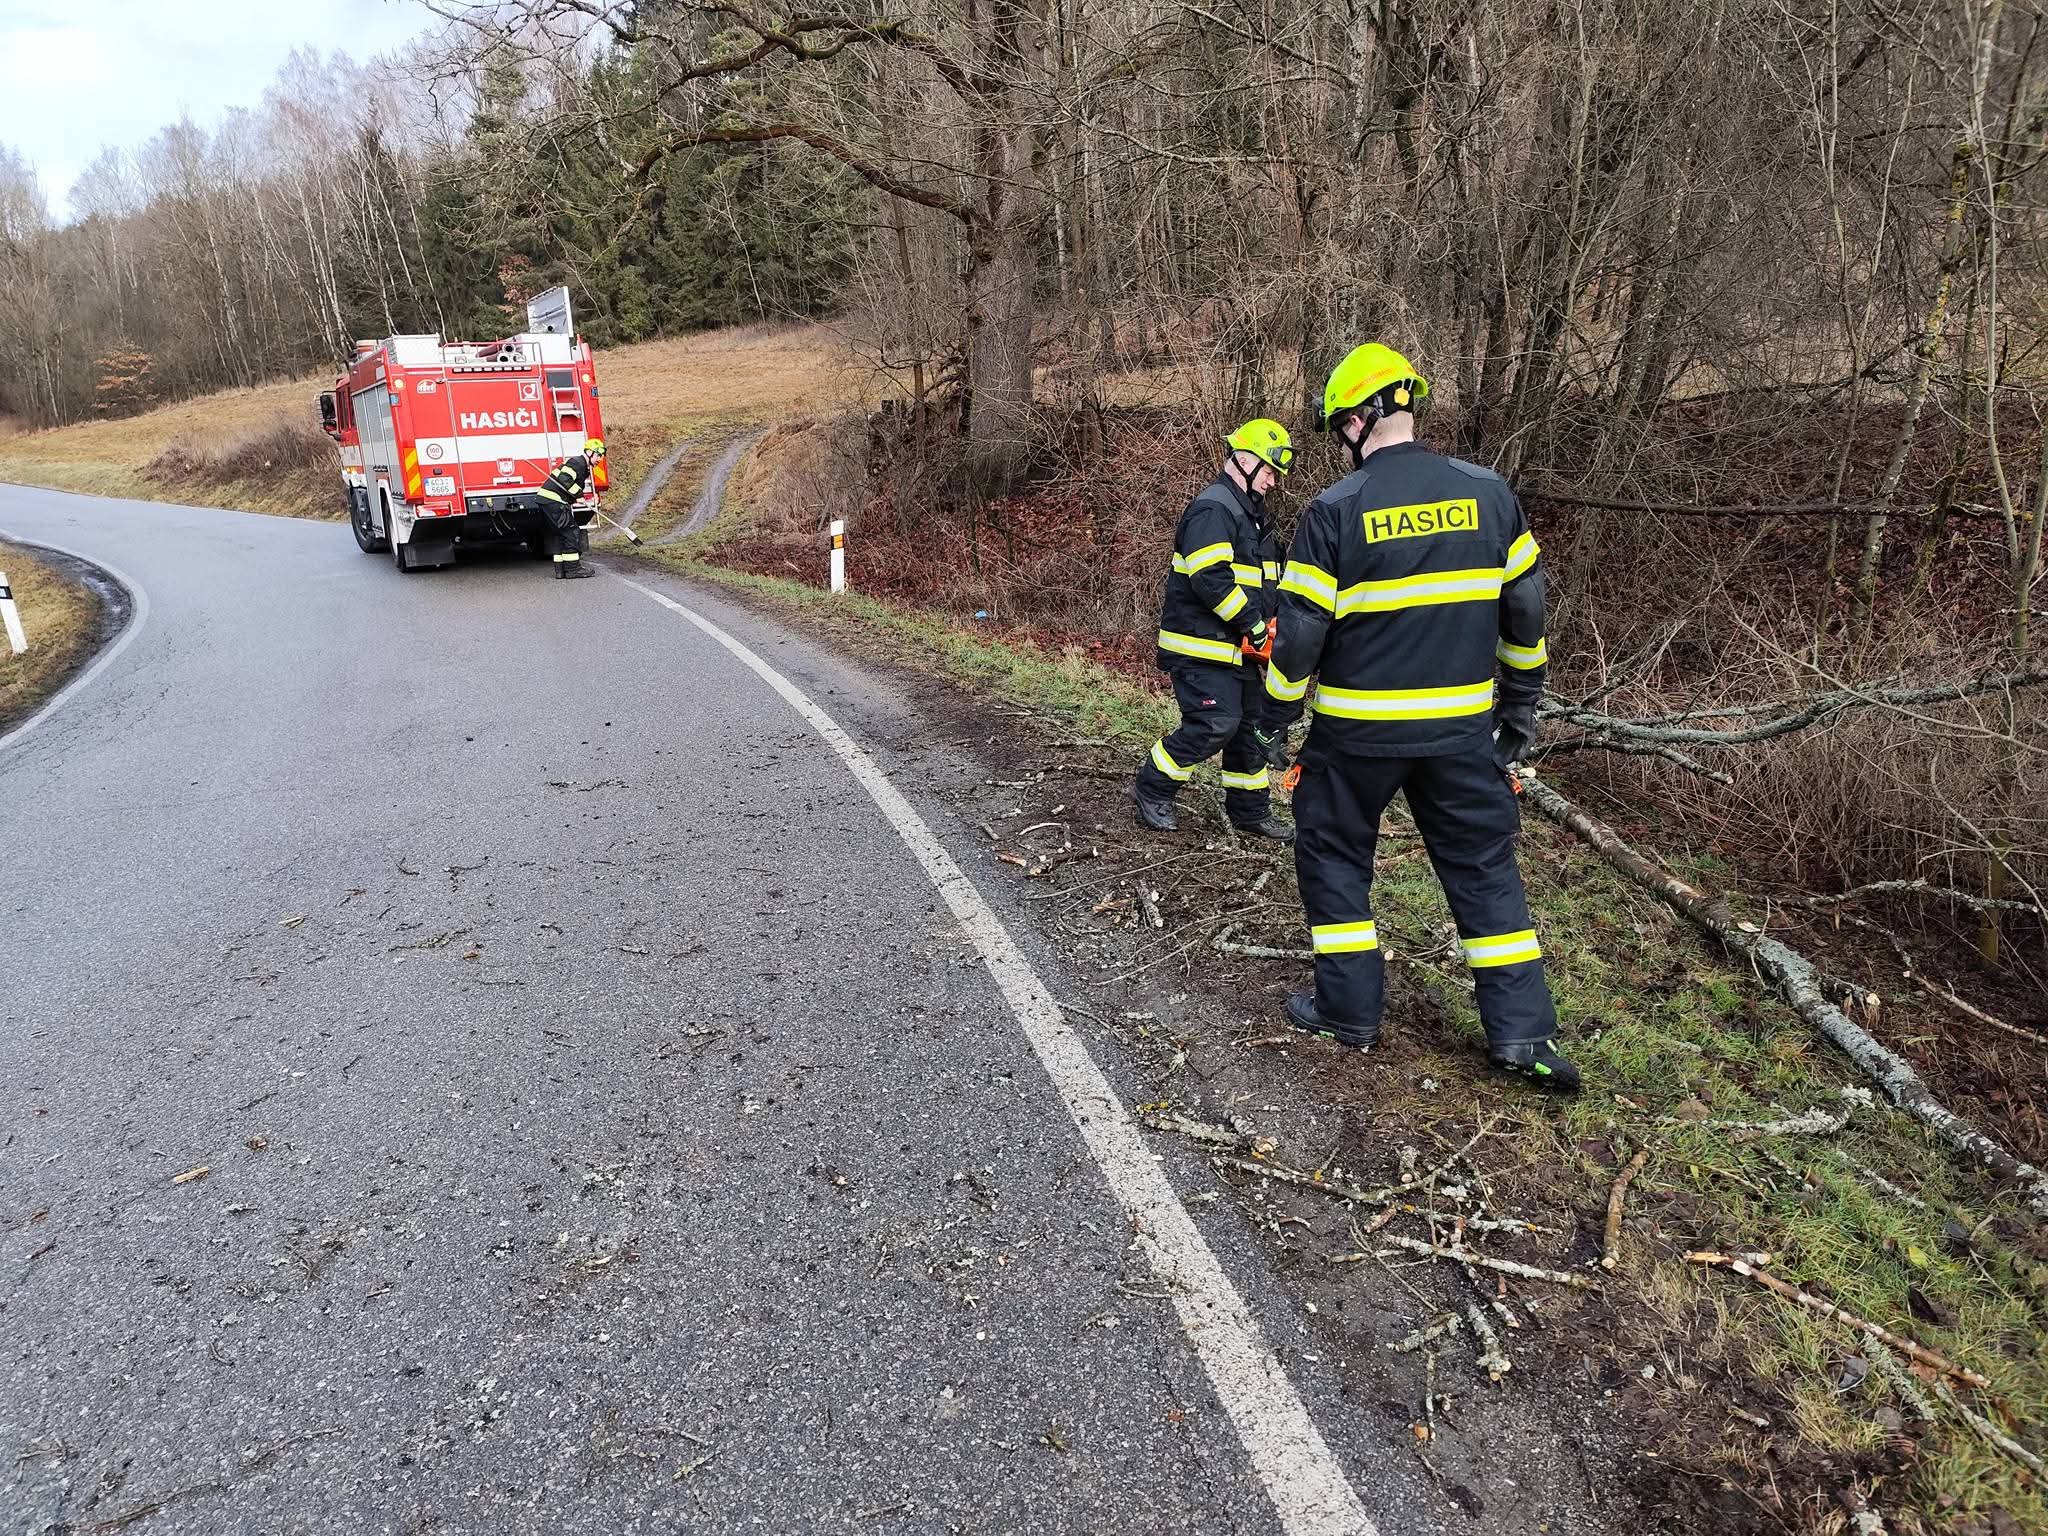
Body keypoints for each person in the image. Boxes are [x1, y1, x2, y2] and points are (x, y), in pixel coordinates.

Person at [1251, 343, 1578, 1090]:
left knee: (1335, 857)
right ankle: (1522, 1035)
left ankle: (1349, 1013)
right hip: (1461, 732)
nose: (1342, 439)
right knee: (1484, 867)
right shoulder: (1490, 493)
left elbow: (1300, 633)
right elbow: (1525, 609)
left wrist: (1274, 716)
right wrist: (1520, 705)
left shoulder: (1335, 510)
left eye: (1340, 426)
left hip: (1357, 736)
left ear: (1358, 419)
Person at [1129, 420, 1296, 842]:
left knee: (1249, 731)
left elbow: (1270, 585)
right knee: (1215, 723)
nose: (1273, 482)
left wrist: (1276, 627)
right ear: (1244, 460)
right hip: (1200, 647)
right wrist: (1253, 624)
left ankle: (1250, 811)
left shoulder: (1254, 519)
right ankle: (1152, 787)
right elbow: (1210, 577)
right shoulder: (1213, 510)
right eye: (1269, 471)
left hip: (1239, 651)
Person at [536, 436, 606, 579]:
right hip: (553, 500)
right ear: (589, 452)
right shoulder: (577, 463)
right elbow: (564, 479)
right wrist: (579, 495)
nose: (600, 459)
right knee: (570, 531)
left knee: (560, 533)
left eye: (601, 456)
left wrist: (581, 497)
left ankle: (560, 570)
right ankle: (573, 569)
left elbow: (568, 485)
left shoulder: (582, 466)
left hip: (549, 501)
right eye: (598, 455)